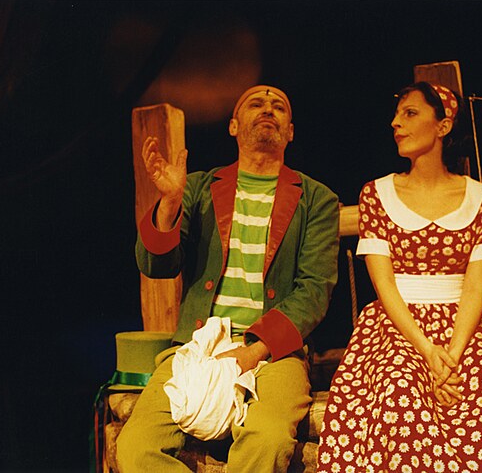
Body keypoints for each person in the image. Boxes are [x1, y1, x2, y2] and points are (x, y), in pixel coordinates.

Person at [317, 82, 482, 472]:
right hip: (397, 326)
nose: (396, 123)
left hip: (464, 328)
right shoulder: (377, 194)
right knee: (400, 400)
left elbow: (475, 285)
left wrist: (451, 356)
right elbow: (384, 284)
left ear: (443, 125)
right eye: (396, 115)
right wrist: (427, 351)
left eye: (410, 113)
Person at [116, 85, 340, 472]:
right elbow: (156, 266)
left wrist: (253, 352)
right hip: (197, 345)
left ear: (290, 132)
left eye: (279, 106)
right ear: (234, 126)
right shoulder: (198, 188)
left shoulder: (317, 200)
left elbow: (314, 291)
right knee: (135, 447)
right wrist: (170, 203)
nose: (268, 109)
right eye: (256, 103)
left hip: (274, 352)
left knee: (267, 439)